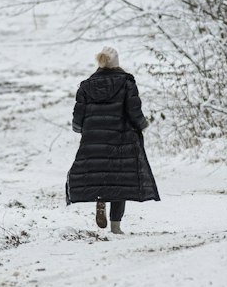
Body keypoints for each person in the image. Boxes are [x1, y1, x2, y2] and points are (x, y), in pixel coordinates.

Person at [66, 47, 160, 233]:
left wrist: (81, 129)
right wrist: (142, 124)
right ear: (116, 63)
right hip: (121, 138)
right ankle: (116, 226)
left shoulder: (86, 85)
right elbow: (134, 110)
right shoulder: (126, 83)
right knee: (119, 180)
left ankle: (100, 201)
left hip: (94, 137)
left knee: (101, 174)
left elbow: (78, 116)